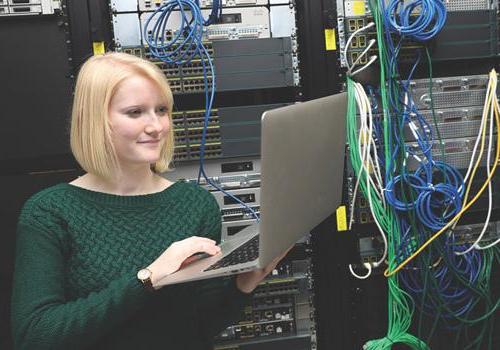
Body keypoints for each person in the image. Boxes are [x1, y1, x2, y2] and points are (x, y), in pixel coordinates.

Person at [11, 52, 288, 350]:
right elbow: (34, 337)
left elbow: (201, 327)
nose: (156, 127)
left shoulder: (195, 204)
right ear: (95, 121)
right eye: (135, 112)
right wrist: (148, 278)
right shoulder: (50, 213)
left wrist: (242, 287)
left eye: (161, 110)